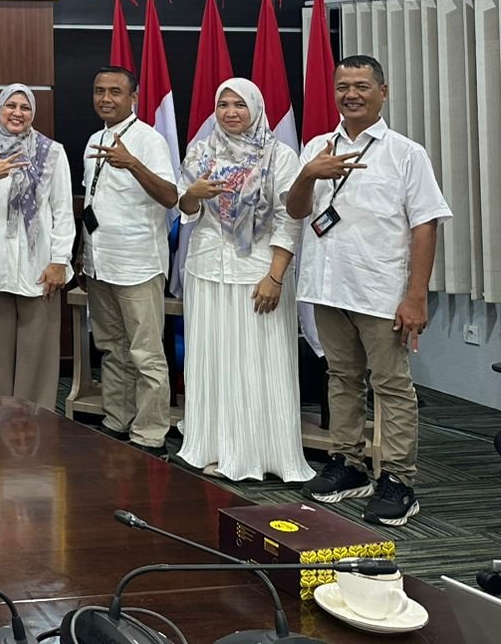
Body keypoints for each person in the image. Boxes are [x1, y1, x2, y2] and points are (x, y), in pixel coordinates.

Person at [286, 55, 451, 526]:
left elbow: (425, 226)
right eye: (343, 86)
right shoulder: (317, 146)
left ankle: (398, 480)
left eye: (361, 85)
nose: (351, 95)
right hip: (328, 286)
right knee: (341, 378)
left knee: (391, 386)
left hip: (381, 291)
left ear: (383, 92)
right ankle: (349, 464)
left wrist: (416, 296)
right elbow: (296, 210)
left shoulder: (405, 153)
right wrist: (308, 174)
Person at [175, 78, 311, 482]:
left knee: (255, 365)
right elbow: (185, 209)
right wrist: (194, 193)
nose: (231, 112)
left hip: (258, 275)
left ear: (256, 108)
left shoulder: (279, 155)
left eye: (239, 105)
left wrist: (276, 276)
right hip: (206, 270)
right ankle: (210, 446)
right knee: (212, 362)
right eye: (223, 104)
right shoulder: (201, 151)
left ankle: (255, 453)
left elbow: (291, 219)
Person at [80, 66, 178, 454]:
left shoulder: (149, 140)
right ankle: (117, 420)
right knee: (111, 347)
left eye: (115, 92)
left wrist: (133, 164)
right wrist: (83, 255)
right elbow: (93, 201)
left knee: (145, 354)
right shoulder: (94, 139)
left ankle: (151, 434)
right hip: (99, 263)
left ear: (133, 97)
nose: (106, 98)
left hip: (138, 264)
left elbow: (170, 196)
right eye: (99, 91)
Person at [0, 84, 74, 411]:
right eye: (10, 106)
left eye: (25, 107)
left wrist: (60, 260)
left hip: (39, 265)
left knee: (38, 353)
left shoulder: (52, 152)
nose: (17, 113)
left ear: (33, 113)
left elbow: (63, 210)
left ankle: (36, 422)